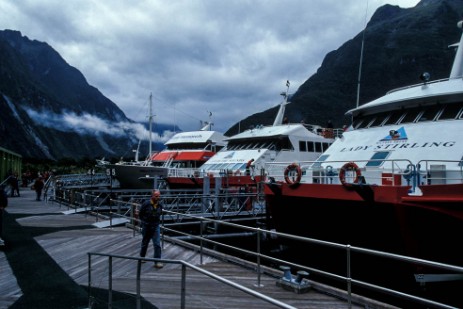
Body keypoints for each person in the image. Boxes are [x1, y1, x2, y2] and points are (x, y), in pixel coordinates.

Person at [139, 189, 164, 268]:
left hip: (155, 226)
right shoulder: (146, 204)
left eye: (159, 196)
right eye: (156, 196)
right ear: (152, 196)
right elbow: (140, 214)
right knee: (145, 243)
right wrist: (144, 222)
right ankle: (142, 257)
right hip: (147, 226)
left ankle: (157, 261)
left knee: (157, 244)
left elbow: (160, 213)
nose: (158, 197)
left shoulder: (160, 205)